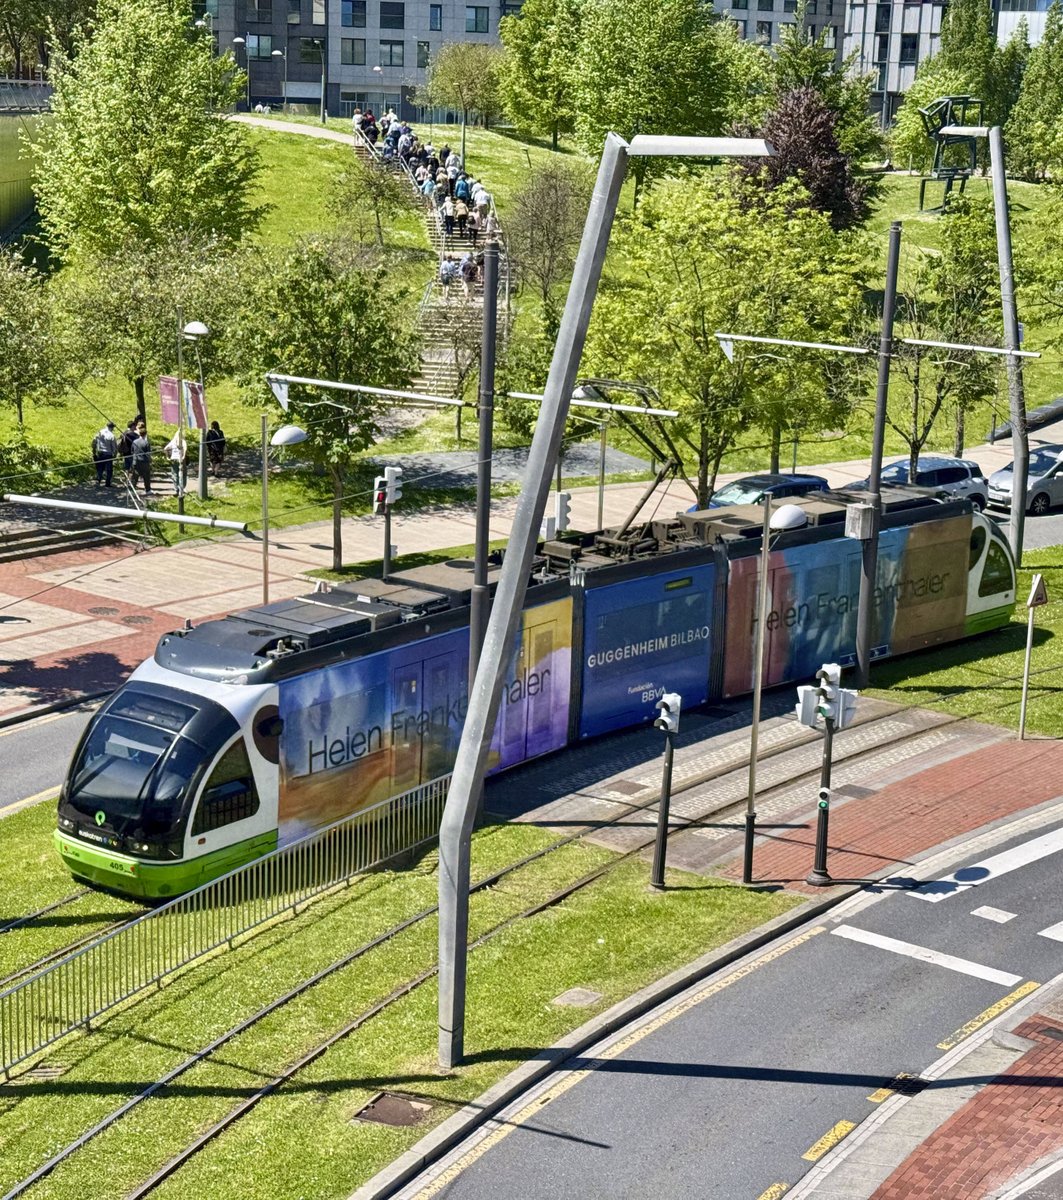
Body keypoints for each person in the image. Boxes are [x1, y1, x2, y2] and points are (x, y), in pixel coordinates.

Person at [93, 421, 117, 488]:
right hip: (108, 454)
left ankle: (98, 481)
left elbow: (94, 441)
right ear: (111, 427)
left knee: (100, 468)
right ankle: (107, 483)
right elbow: (114, 447)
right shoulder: (112, 435)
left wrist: (94, 451)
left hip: (100, 453)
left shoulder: (100, 432)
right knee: (109, 470)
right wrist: (115, 454)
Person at [165, 428, 187, 497]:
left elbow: (165, 449)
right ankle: (182, 488)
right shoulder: (183, 441)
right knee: (183, 474)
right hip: (180, 459)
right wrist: (183, 456)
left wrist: (167, 457)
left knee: (175, 474)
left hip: (173, 459)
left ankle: (176, 489)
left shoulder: (173, 441)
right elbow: (185, 448)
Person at [131, 422, 152, 495]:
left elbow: (132, 451)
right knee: (146, 476)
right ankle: (148, 490)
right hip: (144, 462)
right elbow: (148, 453)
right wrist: (150, 460)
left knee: (135, 476)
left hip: (136, 461)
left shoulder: (134, 442)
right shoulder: (146, 443)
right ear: (145, 434)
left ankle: (132, 489)